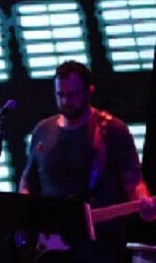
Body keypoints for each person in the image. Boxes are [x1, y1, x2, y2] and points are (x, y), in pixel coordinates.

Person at [18, 60, 156, 262]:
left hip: (100, 250)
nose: (66, 101)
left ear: (89, 91)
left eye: (72, 95)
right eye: (60, 95)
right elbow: (28, 181)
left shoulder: (112, 130)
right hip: (49, 249)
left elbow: (133, 180)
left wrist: (145, 204)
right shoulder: (42, 130)